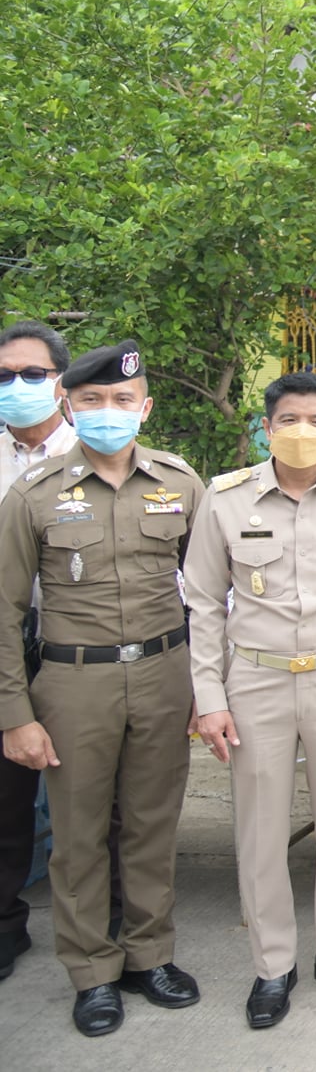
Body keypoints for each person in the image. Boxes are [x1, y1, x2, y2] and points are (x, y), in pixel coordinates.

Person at [0, 340, 205, 1037]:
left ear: (144, 408)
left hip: (162, 671)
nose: (106, 412)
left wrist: (209, 689)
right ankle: (92, 970)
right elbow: (5, 611)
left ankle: (150, 954)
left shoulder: (179, 482)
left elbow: (209, 594)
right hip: (73, 680)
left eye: (121, 401)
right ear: (69, 406)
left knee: (150, 825)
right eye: (90, 401)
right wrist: (14, 713)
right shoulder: (32, 495)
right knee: (79, 836)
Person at [183, 371, 316, 1029]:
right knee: (261, 831)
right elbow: (204, 606)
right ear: (266, 428)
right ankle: (272, 964)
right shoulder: (226, 499)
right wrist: (208, 697)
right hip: (256, 681)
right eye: (289, 419)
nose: (303, 431)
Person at [0, 320, 77, 985]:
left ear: (62, 382)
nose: (18, 387)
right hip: (5, 643)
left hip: (76, 648)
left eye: (32, 374)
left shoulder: (99, 453)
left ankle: (110, 933)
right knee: (5, 800)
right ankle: (4, 926)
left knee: (93, 798)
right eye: (5, 377)